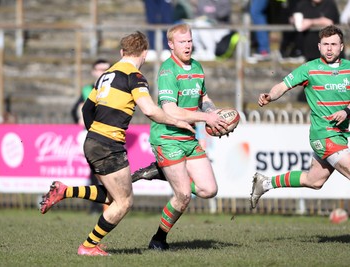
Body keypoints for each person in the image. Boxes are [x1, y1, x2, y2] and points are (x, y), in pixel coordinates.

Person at [40, 31, 196, 256]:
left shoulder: (106, 74)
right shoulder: (135, 76)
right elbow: (150, 110)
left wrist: (95, 133)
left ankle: (65, 191)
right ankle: (88, 246)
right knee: (124, 203)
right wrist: (178, 122)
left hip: (93, 140)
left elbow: (86, 109)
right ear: (144, 53)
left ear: (122, 52)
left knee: (115, 197)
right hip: (108, 144)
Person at [145, 23, 228, 251]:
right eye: (182, 42)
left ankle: (164, 172)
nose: (188, 45)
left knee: (208, 190)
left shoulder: (197, 67)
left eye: (190, 41)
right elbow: (170, 110)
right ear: (171, 44)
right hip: (168, 139)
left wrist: (213, 112)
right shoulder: (168, 70)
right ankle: (158, 239)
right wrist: (204, 118)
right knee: (182, 195)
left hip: (188, 138)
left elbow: (204, 97)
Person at [250, 25, 350, 210]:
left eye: (334, 44)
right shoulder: (309, 69)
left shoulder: (349, 69)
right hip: (324, 134)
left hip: (343, 134)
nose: (329, 48)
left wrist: (347, 110)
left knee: (315, 181)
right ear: (319, 46)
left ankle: (265, 183)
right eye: (325, 44)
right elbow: (282, 86)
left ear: (342, 47)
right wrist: (270, 96)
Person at [70, 58, 110, 214]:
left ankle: (107, 204)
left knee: (105, 171)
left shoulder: (113, 88)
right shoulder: (87, 90)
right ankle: (96, 206)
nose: (103, 72)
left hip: (108, 135)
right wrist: (80, 119)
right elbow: (76, 110)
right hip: (94, 136)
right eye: (100, 69)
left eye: (106, 69)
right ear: (94, 71)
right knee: (97, 170)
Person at [290, 0, 340, 102]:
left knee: (330, 81)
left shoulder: (329, 4)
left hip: (329, 55)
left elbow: (329, 22)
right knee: (313, 82)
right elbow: (294, 18)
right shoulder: (303, 4)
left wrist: (311, 22)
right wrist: (295, 20)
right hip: (310, 52)